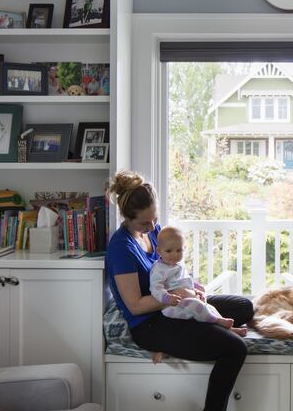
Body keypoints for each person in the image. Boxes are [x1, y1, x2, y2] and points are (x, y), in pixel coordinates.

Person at [105, 171, 253, 411]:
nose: (152, 226)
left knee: (244, 306)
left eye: (154, 218)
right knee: (235, 348)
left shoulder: (154, 231)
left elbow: (173, 269)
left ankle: (204, 322)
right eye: (144, 223)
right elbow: (135, 305)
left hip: (177, 302)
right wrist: (178, 298)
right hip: (151, 323)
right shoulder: (121, 249)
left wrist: (193, 289)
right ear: (127, 218)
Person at [150, 226, 248, 333]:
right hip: (172, 307)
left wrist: (195, 288)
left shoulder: (177, 265)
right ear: (159, 251)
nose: (174, 254)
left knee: (209, 307)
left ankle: (229, 328)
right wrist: (167, 298)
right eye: (169, 251)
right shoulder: (159, 269)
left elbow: (185, 280)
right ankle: (215, 321)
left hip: (187, 300)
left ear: (184, 248)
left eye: (179, 250)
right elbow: (155, 287)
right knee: (197, 305)